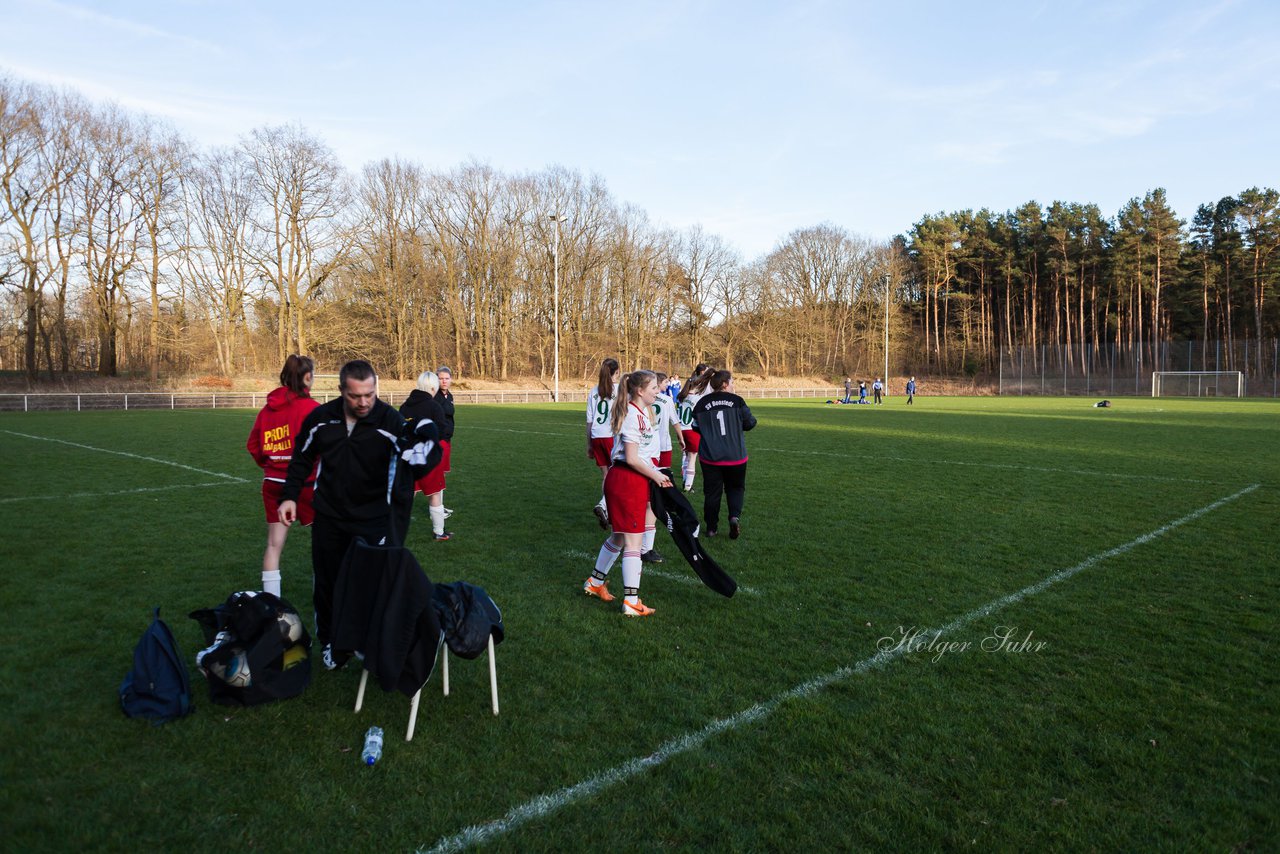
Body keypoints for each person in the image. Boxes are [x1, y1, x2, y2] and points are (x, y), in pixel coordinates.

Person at [278, 359, 429, 669]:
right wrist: (289, 496)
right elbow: (301, 458)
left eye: (370, 394)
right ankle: (332, 644)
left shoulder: (390, 421)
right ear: (341, 391)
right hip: (329, 517)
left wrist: (425, 443)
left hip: (373, 519)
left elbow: (416, 458)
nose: (364, 402)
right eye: (356, 396)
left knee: (371, 585)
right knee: (328, 584)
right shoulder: (320, 419)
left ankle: (366, 641)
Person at [583, 370, 671, 617]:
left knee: (619, 538)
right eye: (654, 387)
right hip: (627, 481)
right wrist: (656, 475)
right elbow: (631, 458)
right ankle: (631, 601)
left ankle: (595, 582)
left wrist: (655, 472)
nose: (659, 390)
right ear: (640, 391)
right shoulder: (633, 414)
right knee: (634, 541)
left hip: (630, 480)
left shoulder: (643, 412)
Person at [245, 354, 319, 598]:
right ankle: (329, 598)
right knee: (325, 542)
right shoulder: (312, 409)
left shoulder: (267, 410)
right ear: (307, 377)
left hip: (274, 483)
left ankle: (271, 604)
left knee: (274, 546)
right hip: (308, 484)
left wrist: (272, 464)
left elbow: (254, 445)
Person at [691, 370, 757, 539]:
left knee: (712, 493)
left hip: (710, 457)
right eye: (732, 381)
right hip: (736, 456)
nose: (734, 384)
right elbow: (750, 423)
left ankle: (712, 528)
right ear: (725, 384)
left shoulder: (701, 403)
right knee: (736, 488)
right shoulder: (737, 400)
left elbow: (695, 427)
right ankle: (734, 517)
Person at [400, 370, 452, 541]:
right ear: (431, 386)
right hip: (429, 457)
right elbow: (442, 430)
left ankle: (394, 530)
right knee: (434, 494)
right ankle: (439, 532)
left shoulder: (405, 406)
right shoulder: (433, 406)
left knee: (408, 493)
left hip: (409, 458)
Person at [645, 372, 686, 564]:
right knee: (658, 487)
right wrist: (680, 437)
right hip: (659, 447)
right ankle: (664, 509)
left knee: (653, 488)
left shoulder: (639, 401)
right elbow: (674, 421)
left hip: (648, 448)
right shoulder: (666, 400)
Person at [586, 358, 620, 529]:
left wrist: (589, 444)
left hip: (596, 436)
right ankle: (604, 505)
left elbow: (589, 421)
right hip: (611, 437)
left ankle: (606, 509)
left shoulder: (593, 391)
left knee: (606, 475)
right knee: (618, 475)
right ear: (616, 372)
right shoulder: (618, 389)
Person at [676, 364, 714, 492]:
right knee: (692, 458)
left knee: (686, 457)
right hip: (692, 430)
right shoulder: (698, 398)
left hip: (681, 429)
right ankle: (688, 486)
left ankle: (684, 482)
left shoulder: (682, 397)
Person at [434, 365, 456, 519]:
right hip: (438, 440)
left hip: (447, 439)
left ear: (451, 379)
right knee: (437, 474)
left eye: (446, 378)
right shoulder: (434, 397)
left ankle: (439, 506)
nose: (444, 381)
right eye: (441, 378)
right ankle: (436, 509)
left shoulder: (450, 396)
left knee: (442, 474)